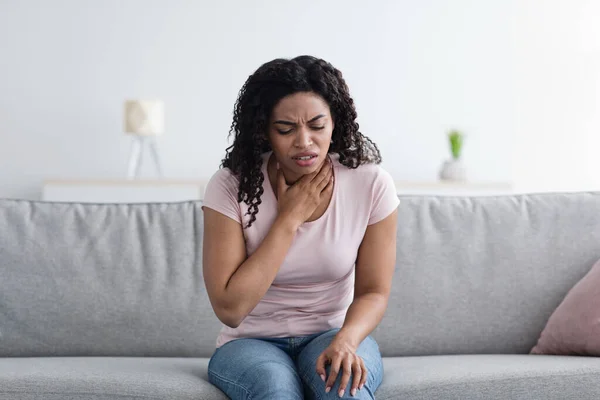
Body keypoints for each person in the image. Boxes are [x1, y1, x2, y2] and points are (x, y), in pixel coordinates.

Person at [202, 55, 399, 399]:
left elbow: (373, 292)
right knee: (274, 388)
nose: (304, 141)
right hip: (249, 342)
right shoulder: (230, 185)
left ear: (336, 123)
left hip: (333, 333)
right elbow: (231, 309)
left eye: (317, 126)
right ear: (264, 130)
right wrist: (289, 219)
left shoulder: (370, 184)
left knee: (344, 389)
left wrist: (346, 341)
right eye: (286, 129)